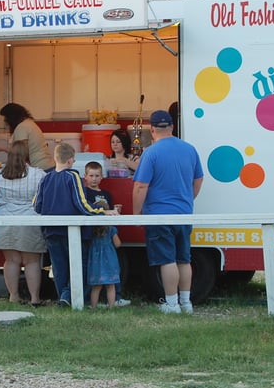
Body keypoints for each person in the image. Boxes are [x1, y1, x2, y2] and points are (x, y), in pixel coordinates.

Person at [132, 110, 204, 314]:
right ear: (172, 127)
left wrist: (136, 214)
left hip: (159, 215)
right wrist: (188, 199)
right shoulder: (189, 149)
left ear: (152, 130)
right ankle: (186, 303)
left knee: (167, 260)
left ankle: (172, 304)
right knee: (184, 258)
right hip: (183, 213)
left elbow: (140, 186)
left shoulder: (151, 153)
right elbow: (198, 180)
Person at [34, 142, 111, 307]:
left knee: (59, 267)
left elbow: (36, 205)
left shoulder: (45, 178)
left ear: (55, 158)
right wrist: (102, 211)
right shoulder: (72, 176)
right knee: (79, 265)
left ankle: (63, 298)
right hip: (72, 231)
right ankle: (68, 297)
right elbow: (82, 204)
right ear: (70, 161)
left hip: (50, 231)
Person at [0, 140, 47, 305]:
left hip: (4, 221)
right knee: (32, 261)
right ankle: (35, 298)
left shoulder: (0, 174)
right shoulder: (38, 174)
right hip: (29, 220)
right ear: (27, 155)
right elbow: (43, 195)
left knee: (11, 260)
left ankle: (13, 296)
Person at [83, 161, 130, 307]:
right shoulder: (85, 194)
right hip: (92, 236)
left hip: (107, 236)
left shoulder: (106, 194)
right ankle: (90, 301)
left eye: (97, 175)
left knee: (109, 275)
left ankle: (114, 299)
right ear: (85, 177)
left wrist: (116, 213)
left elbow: (110, 212)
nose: (94, 179)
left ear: (102, 177)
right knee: (93, 273)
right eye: (91, 175)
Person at [0, 102, 55, 171]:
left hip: (39, 168)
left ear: (11, 117)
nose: (5, 121)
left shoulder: (21, 127)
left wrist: (1, 148)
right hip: (47, 165)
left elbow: (22, 152)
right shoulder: (29, 123)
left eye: (6, 118)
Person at [87, 226, 122, 309]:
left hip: (96, 261)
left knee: (96, 286)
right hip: (109, 259)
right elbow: (117, 244)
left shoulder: (92, 228)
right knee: (110, 286)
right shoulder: (111, 229)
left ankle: (93, 307)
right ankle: (111, 307)